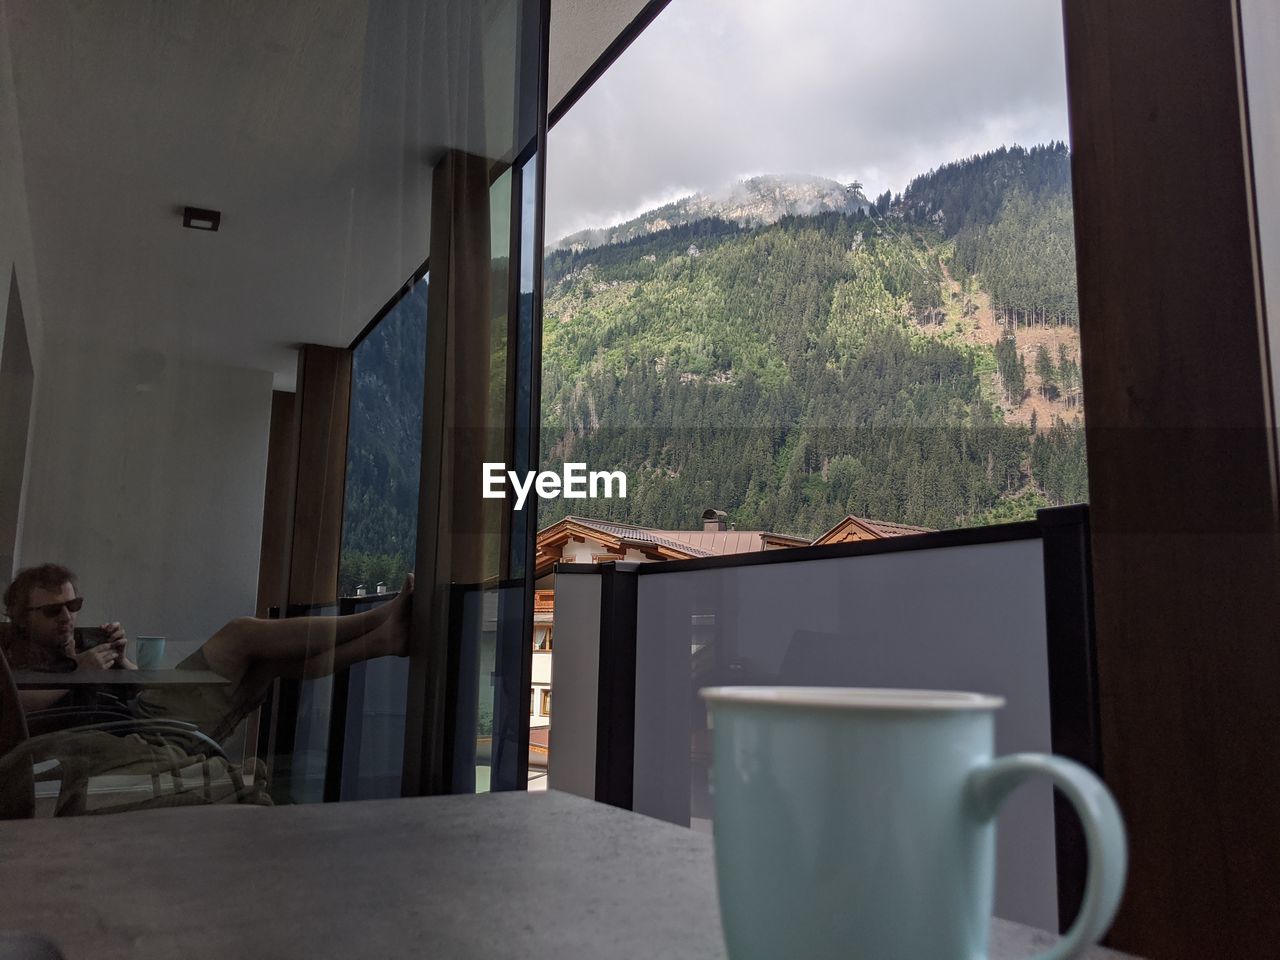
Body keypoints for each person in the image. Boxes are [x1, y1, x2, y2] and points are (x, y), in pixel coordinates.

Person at [2, 563, 413, 743]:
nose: (67, 618)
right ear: (21, 618)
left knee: (267, 663)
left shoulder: (85, 641)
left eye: (73, 606)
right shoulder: (14, 655)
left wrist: (122, 661)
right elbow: (14, 710)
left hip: (145, 708)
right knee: (241, 633)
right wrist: (81, 677)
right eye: (53, 610)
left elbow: (135, 683)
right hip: (144, 727)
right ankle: (378, 618)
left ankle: (382, 640)